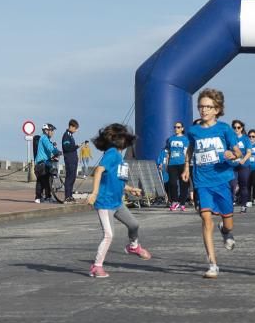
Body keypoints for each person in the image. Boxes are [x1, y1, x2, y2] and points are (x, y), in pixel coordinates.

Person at [181, 88, 241, 279]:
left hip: (222, 180)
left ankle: (225, 232)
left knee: (228, 222)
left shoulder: (224, 129)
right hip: (202, 182)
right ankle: (212, 264)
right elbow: (190, 149)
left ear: (217, 109)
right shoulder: (193, 131)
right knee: (206, 220)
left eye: (208, 107)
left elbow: (237, 151)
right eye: (201, 106)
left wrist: (234, 154)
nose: (204, 110)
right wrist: (186, 168)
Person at [85, 123, 151, 277]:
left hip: (117, 203)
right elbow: (99, 171)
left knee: (134, 224)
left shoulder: (118, 157)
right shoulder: (112, 153)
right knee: (108, 235)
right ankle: (97, 266)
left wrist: (131, 189)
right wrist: (94, 193)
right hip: (105, 203)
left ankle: (133, 246)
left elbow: (118, 180)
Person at [165, 121, 190, 211]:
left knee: (184, 184)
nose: (176, 129)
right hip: (172, 164)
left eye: (178, 127)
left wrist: (187, 164)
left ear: (182, 129)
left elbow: (187, 152)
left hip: (182, 163)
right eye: (175, 127)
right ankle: (174, 201)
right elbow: (168, 152)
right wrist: (166, 164)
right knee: (172, 183)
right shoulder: (170, 139)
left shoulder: (185, 139)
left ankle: (182, 202)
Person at [230, 119, 253, 213]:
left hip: (244, 165)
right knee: (232, 185)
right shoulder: (231, 138)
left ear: (241, 128)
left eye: (238, 127)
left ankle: (243, 206)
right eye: (234, 127)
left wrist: (243, 160)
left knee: (244, 186)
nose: (236, 129)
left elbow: (249, 152)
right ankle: (229, 205)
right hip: (233, 165)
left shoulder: (245, 139)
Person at [34, 123, 60, 203]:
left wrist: (52, 156)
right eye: (51, 130)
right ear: (46, 131)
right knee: (48, 180)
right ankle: (48, 197)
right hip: (43, 164)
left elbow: (45, 152)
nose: (52, 132)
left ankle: (38, 198)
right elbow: (49, 147)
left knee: (40, 181)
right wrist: (57, 151)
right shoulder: (44, 138)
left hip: (39, 163)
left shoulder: (43, 138)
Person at [61, 119, 82, 202]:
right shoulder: (66, 135)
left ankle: (70, 195)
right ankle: (67, 196)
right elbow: (66, 147)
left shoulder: (70, 135)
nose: (76, 130)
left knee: (72, 178)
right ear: (71, 127)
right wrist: (76, 146)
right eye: (75, 128)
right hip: (69, 159)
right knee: (69, 178)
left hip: (73, 159)